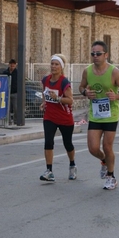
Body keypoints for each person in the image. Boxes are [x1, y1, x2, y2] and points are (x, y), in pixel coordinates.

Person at [79, 40, 119, 190]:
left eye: (98, 54)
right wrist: (85, 92)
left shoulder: (114, 72)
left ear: (106, 55)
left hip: (111, 114)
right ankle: (103, 160)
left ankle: (111, 176)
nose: (95, 56)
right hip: (95, 114)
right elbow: (81, 86)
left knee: (107, 146)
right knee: (93, 148)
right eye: (93, 54)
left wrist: (116, 96)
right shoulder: (87, 71)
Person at [39, 54, 77, 182]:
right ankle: (49, 171)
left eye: (56, 64)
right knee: (48, 141)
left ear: (61, 67)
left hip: (65, 117)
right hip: (50, 116)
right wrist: (44, 103)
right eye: (52, 64)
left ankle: (72, 165)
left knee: (68, 144)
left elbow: (70, 100)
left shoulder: (64, 82)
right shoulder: (45, 80)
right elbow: (45, 93)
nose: (53, 66)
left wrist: (58, 99)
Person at [3, 59, 18, 124]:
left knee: (16, 107)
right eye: (11, 66)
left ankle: (16, 120)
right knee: (7, 108)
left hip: (15, 92)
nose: (12, 68)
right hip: (7, 92)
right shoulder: (5, 72)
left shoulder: (17, 73)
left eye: (13, 66)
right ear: (9, 65)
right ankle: (8, 121)